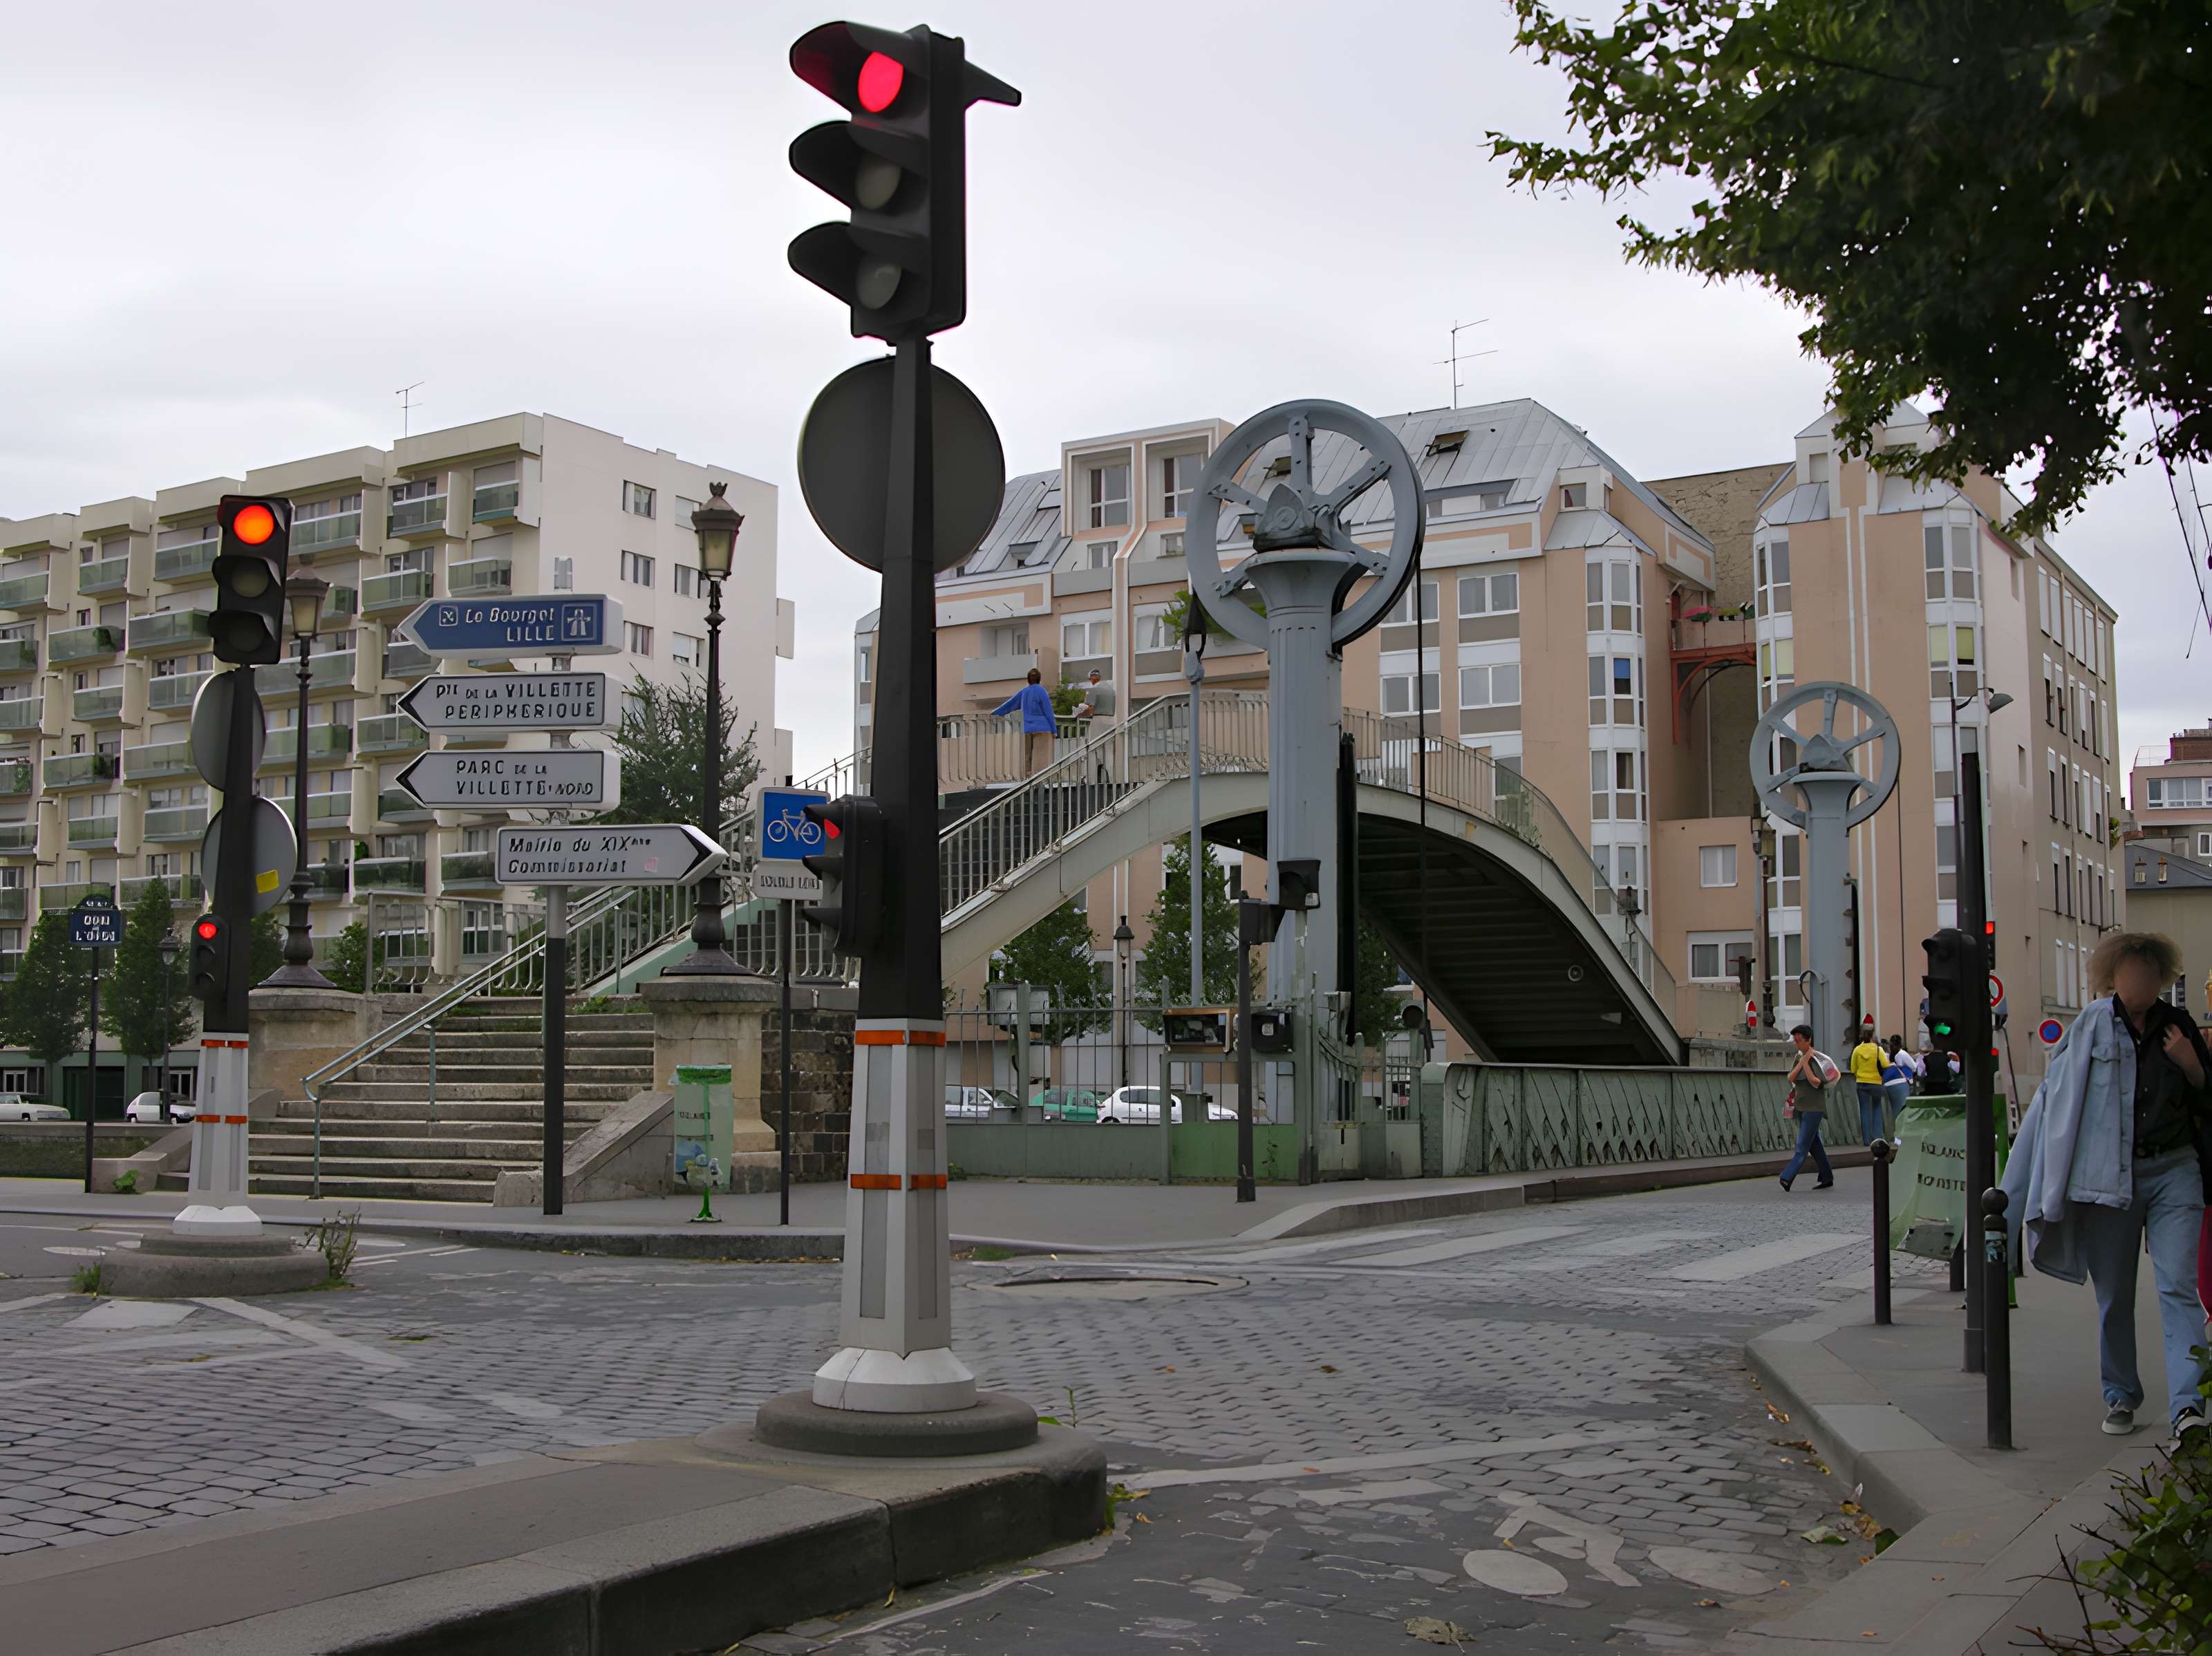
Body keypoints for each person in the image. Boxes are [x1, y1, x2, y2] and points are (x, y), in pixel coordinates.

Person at [2000, 932, 2211, 1446]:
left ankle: (2189, 1408)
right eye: (2129, 970)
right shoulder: (2092, 1025)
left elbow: (2207, 1096)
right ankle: (2120, 1393)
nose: (2139, 979)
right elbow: (2058, 1104)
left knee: (2178, 1289)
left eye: (2148, 971)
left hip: (2175, 1170)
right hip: (2110, 1179)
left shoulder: (2178, 1025)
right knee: (2114, 1295)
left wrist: (2190, 1064)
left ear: (2160, 977)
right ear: (2111, 976)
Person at [1779, 1024, 1839, 1192]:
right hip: (1801, 1107)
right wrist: (1802, 1060)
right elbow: (1791, 1077)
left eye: (1799, 1041)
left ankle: (1787, 1177)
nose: (1796, 1044)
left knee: (1802, 1146)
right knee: (1815, 1145)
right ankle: (1827, 1177)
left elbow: (1816, 1082)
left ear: (1808, 1041)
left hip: (1814, 1108)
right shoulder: (1800, 1058)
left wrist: (1806, 1061)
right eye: (1795, 1041)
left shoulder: (1816, 1060)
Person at [991, 668, 1059, 777]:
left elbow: (1011, 704)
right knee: (1042, 757)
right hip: (1043, 728)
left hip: (1027, 728)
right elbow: (1048, 712)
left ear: (1028, 680)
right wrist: (1054, 730)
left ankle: (1029, 778)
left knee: (1028, 757)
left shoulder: (1024, 692)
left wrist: (995, 713)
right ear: (1039, 679)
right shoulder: (1042, 691)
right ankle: (1040, 780)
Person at [1850, 1028, 1888, 1148]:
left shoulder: (1857, 1050)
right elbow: (1885, 1064)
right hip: (1876, 1083)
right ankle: (1878, 1139)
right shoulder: (1878, 1049)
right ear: (1873, 1037)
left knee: (1864, 1111)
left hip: (1861, 1083)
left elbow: (1853, 1069)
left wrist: (1860, 1074)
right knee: (1877, 1109)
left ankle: (1867, 1141)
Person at [1880, 1036, 1916, 1147]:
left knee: (1895, 1111)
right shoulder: (1902, 1054)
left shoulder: (1886, 1055)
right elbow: (1914, 1067)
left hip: (1887, 1083)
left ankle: (1896, 1137)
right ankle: (1900, 1138)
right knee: (1902, 1112)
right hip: (1900, 1082)